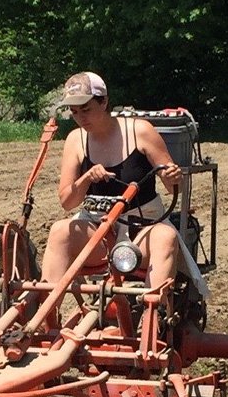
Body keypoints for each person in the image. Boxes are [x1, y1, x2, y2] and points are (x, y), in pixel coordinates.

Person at [40, 71, 184, 293]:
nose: (81, 118)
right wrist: (87, 178)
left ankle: (153, 314)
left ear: (104, 101)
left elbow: (173, 186)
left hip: (142, 226)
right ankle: (46, 313)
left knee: (166, 236)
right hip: (97, 227)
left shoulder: (140, 131)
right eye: (75, 112)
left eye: (86, 109)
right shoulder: (76, 140)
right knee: (60, 231)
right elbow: (67, 202)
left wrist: (172, 177)